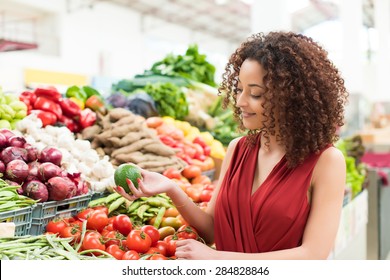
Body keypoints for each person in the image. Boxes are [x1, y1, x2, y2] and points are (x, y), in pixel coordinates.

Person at [114, 31, 348, 260]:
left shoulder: (326, 161)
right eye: (238, 90)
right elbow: (211, 230)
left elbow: (313, 255)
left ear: (291, 97)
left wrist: (219, 260)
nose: (240, 101)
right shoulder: (238, 149)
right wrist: (172, 188)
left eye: (255, 94)